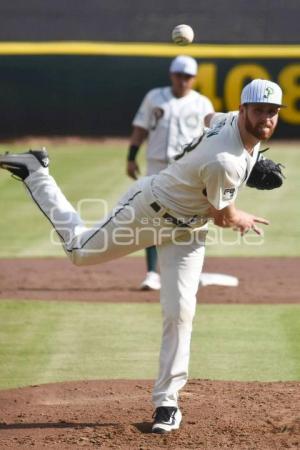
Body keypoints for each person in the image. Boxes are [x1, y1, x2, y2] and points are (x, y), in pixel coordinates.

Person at [0, 79, 284, 434]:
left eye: (272, 112)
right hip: (148, 213)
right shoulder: (225, 162)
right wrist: (240, 212)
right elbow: (223, 216)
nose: (266, 119)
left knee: (181, 311)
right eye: (259, 111)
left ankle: (167, 402)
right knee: (79, 253)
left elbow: (211, 119)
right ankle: (36, 171)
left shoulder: (231, 122)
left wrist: (216, 151)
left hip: (187, 230)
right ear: (243, 110)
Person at [127, 55, 214, 290]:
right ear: (171, 75)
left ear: (194, 78)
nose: (183, 80)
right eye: (179, 75)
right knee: (150, 217)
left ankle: (190, 271)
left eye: (188, 76)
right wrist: (131, 157)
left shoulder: (202, 103)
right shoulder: (155, 97)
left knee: (191, 218)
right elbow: (140, 127)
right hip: (156, 165)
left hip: (187, 169)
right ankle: (152, 273)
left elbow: (211, 138)